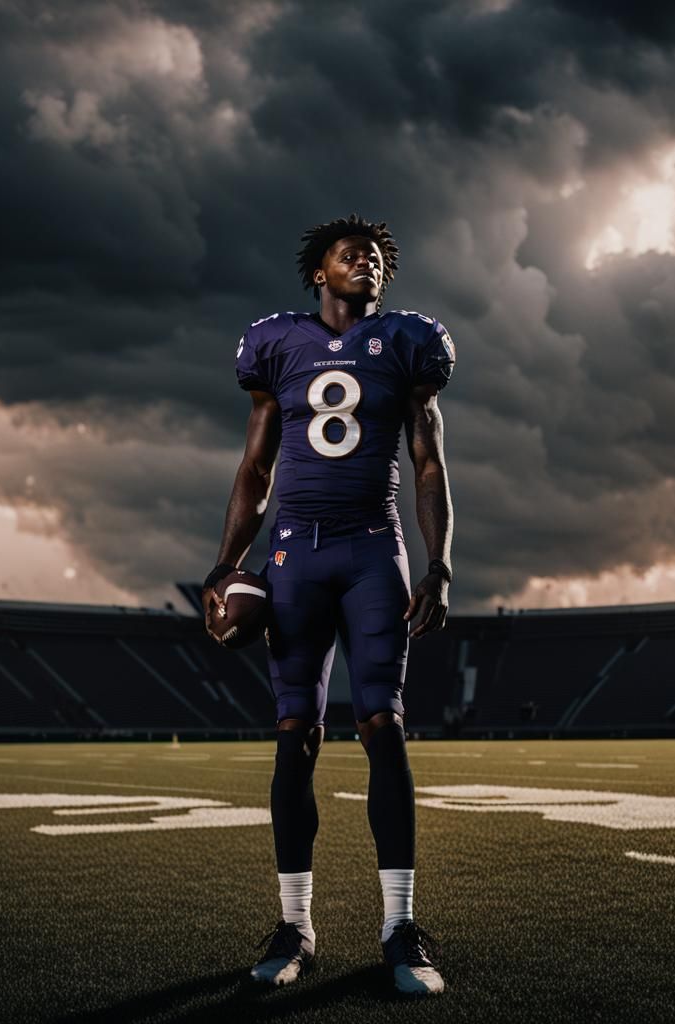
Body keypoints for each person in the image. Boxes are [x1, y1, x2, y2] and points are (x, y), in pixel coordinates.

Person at [203, 214, 455, 996]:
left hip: (374, 549)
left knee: (383, 724)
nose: (368, 263)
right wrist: (226, 564)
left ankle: (400, 927)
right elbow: (255, 469)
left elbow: (429, 464)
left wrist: (440, 563)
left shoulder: (409, 344)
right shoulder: (279, 345)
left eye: (377, 257)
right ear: (319, 271)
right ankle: (295, 923)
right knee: (295, 734)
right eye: (352, 254)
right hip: (296, 555)